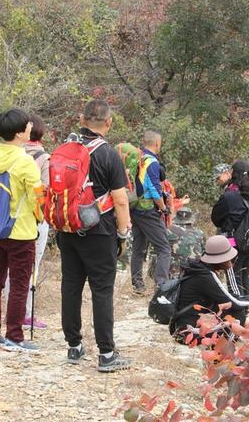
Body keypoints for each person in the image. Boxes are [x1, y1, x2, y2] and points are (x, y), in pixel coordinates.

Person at [57, 99, 131, 372]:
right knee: (101, 289)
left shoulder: (65, 149)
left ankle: (74, 347)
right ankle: (107, 354)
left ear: (82, 118)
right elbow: (121, 200)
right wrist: (123, 234)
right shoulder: (108, 154)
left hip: (67, 228)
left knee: (71, 286)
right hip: (99, 231)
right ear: (109, 123)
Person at [0, 108, 45, 352]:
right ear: (19, 133)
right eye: (27, 126)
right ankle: (14, 336)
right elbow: (37, 197)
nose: (30, 129)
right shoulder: (25, 161)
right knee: (18, 284)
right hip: (21, 231)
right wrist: (40, 218)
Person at [4, 113, 51, 330]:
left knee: (7, 269)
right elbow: (44, 192)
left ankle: (8, 310)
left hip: (6, 216)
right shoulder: (44, 158)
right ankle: (25, 315)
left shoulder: (10, 154)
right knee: (31, 268)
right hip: (32, 220)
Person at [169, 235, 249, 344]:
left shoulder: (200, 269)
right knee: (238, 315)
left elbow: (225, 299)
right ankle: (225, 354)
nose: (231, 262)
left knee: (233, 312)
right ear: (221, 260)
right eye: (229, 259)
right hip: (187, 331)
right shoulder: (205, 276)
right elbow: (233, 302)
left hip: (183, 325)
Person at [130, 130, 172, 294]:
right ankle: (162, 286)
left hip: (135, 208)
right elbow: (155, 190)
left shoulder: (138, 158)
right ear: (157, 144)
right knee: (164, 248)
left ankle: (137, 285)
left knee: (138, 248)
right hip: (148, 210)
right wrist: (163, 208)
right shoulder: (152, 162)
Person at [210, 159, 249, 299]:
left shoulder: (229, 196)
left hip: (233, 243)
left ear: (233, 173)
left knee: (233, 274)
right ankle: (247, 303)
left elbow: (216, 218)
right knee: (245, 272)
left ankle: (237, 307)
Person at [169, 207, 205, 278]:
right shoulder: (200, 233)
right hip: (195, 272)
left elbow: (158, 253)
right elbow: (205, 252)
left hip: (173, 273)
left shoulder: (168, 231)